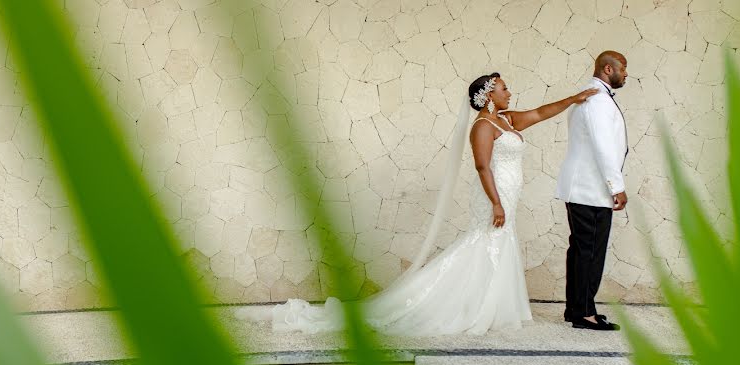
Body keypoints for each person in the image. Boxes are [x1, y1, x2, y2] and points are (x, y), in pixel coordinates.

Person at [237, 73, 596, 336]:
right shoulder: (483, 127)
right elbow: (483, 165)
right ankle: (462, 305)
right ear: (489, 96)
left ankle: (488, 304)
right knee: (483, 241)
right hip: (494, 195)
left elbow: (539, 113)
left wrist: (572, 100)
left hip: (508, 193)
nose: (510, 92)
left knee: (496, 245)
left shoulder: (507, 119)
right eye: (504, 89)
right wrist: (496, 203)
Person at [556, 51, 630, 331]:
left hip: (583, 186)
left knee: (580, 250)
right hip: (590, 188)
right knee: (589, 252)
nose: (625, 74)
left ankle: (576, 309)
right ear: (607, 68)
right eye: (623, 69)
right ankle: (584, 312)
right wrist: (617, 186)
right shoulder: (597, 100)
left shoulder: (591, 96)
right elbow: (603, 147)